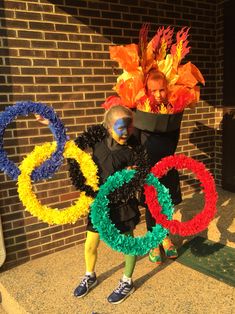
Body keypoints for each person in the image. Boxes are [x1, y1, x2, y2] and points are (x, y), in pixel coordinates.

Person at [72, 105, 141, 304]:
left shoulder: (132, 151)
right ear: (109, 127)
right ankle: (89, 275)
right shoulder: (97, 143)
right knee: (90, 244)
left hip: (122, 204)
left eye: (130, 127)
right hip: (100, 204)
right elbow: (69, 149)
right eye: (121, 127)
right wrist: (51, 125)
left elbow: (141, 174)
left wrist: (132, 175)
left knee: (128, 243)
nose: (126, 132)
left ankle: (127, 281)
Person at [134, 70, 181, 264]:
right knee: (151, 205)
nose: (158, 94)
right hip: (148, 168)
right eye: (154, 91)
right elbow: (136, 142)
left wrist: (170, 161)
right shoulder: (140, 111)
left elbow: (174, 139)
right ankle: (154, 240)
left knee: (166, 204)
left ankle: (165, 236)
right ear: (147, 91)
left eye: (162, 90)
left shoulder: (172, 110)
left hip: (167, 165)